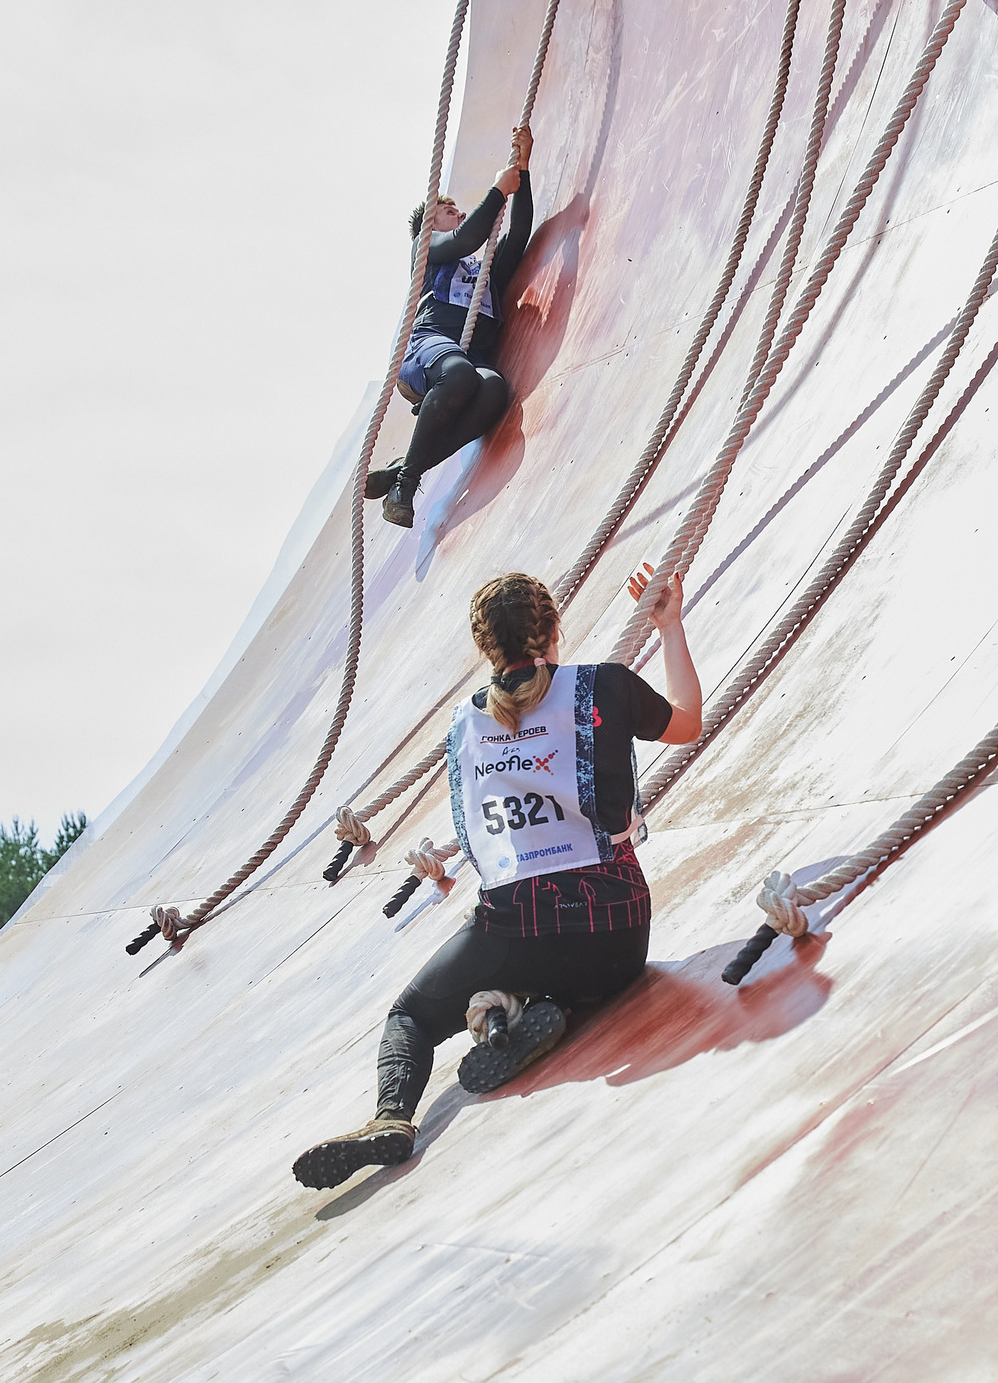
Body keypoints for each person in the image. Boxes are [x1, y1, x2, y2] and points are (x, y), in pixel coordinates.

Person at [293, 562, 703, 1188]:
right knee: (560, 964)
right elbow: (687, 721)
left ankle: (394, 1118)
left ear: (485, 648)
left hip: (520, 926)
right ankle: (543, 1009)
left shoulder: (465, 725)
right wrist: (669, 628)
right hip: (619, 934)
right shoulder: (606, 687)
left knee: (411, 1016)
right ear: (554, 630)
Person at [365, 125, 537, 528]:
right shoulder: (426, 252)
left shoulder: (482, 275)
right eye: (448, 211)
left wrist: (523, 171)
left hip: (467, 357)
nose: (458, 213)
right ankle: (407, 485)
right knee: (459, 373)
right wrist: (497, 192)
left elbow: (519, 235)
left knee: (492, 387)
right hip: (432, 344)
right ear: (429, 226)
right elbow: (464, 238)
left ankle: (404, 471)